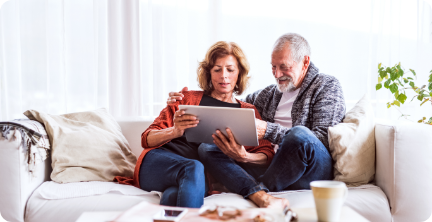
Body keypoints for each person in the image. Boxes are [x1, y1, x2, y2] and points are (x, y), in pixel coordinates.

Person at [167, 33, 346, 207]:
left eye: (284, 67)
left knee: (299, 135)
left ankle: (251, 188)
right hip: (269, 166)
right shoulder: (266, 95)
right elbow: (230, 106)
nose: (277, 74)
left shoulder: (326, 86)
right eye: (273, 67)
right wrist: (185, 99)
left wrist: (268, 130)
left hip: (311, 170)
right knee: (210, 146)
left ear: (305, 62)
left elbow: (320, 141)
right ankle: (257, 193)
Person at [115, 41, 277, 208]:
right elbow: (146, 139)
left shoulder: (248, 111)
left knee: (172, 196)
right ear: (209, 73)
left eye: (230, 69)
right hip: (158, 164)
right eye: (217, 69)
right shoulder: (187, 98)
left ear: (239, 74)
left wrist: (245, 156)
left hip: (198, 177)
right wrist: (174, 131)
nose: (223, 76)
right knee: (192, 167)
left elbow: (267, 154)